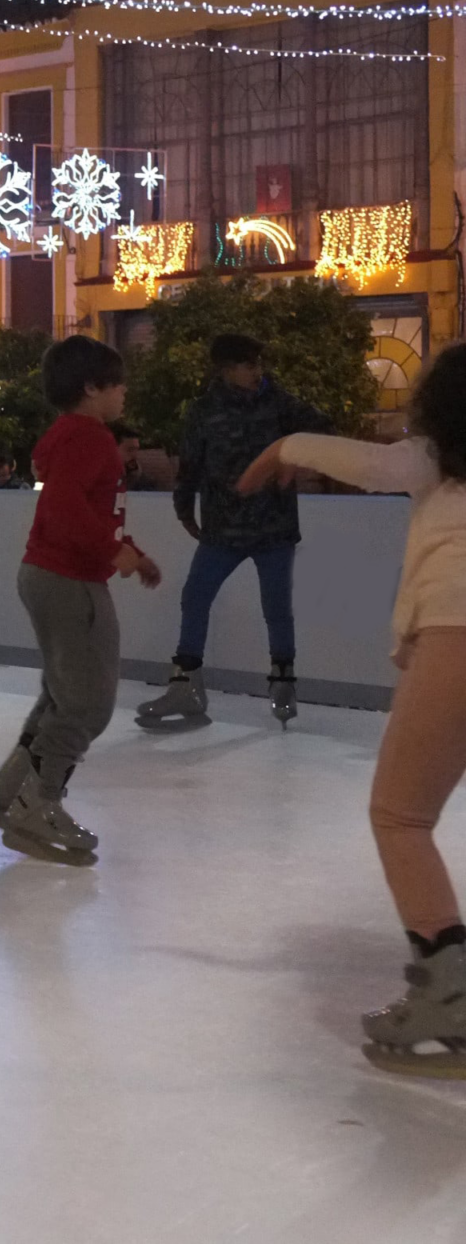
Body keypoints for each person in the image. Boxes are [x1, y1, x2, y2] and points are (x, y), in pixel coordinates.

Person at [239, 346, 466, 1075]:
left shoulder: (433, 461)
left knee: (401, 815)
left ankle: (453, 1003)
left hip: (459, 630)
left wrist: (283, 445)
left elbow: (371, 464)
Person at [0, 335, 162, 866]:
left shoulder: (66, 436)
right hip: (70, 580)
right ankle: (38, 803)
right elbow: (63, 508)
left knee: (62, 695)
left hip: (45, 573)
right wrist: (113, 551)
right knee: (88, 702)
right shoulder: (92, 438)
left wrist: (131, 553)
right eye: (117, 382)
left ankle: (10, 790)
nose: (125, 391)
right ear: (90, 388)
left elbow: (75, 507)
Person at [139, 333, 331, 731]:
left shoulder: (278, 402)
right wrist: (183, 509)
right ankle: (186, 684)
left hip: (274, 526)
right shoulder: (204, 411)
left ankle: (282, 680)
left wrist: (291, 457)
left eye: (258, 363)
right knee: (195, 596)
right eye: (248, 364)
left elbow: (322, 428)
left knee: (276, 607)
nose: (257, 371)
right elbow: (190, 465)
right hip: (223, 528)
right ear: (226, 369)